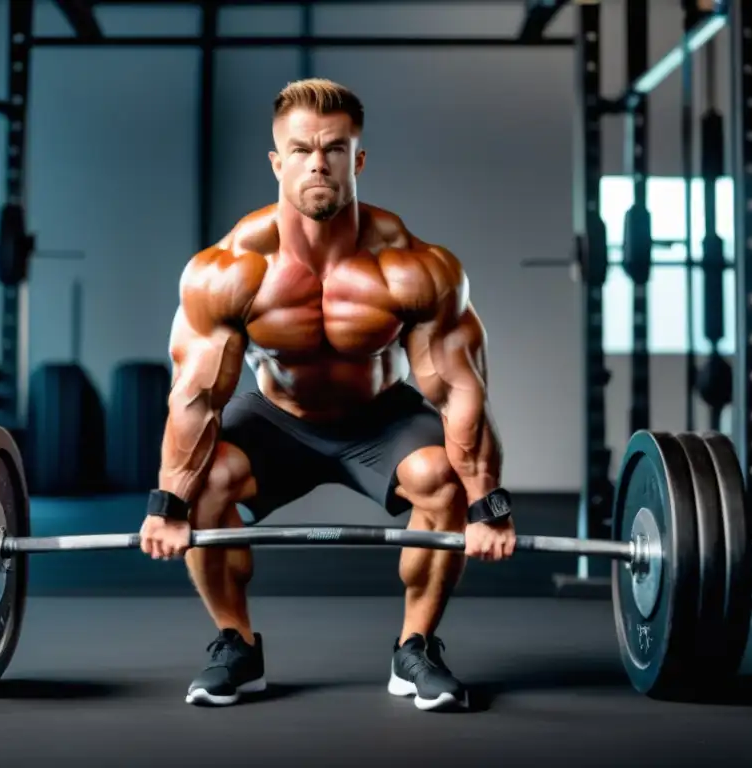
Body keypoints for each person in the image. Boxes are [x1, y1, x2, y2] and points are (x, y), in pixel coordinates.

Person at [139, 78, 515, 712]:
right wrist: (168, 503)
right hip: (273, 417)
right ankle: (236, 645)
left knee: (441, 479)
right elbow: (197, 398)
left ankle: (415, 649)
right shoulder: (229, 272)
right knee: (205, 483)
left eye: (335, 148)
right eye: (302, 149)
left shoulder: (415, 268)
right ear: (276, 161)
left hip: (378, 418)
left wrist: (487, 506)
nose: (319, 162)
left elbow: (458, 391)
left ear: (357, 159)